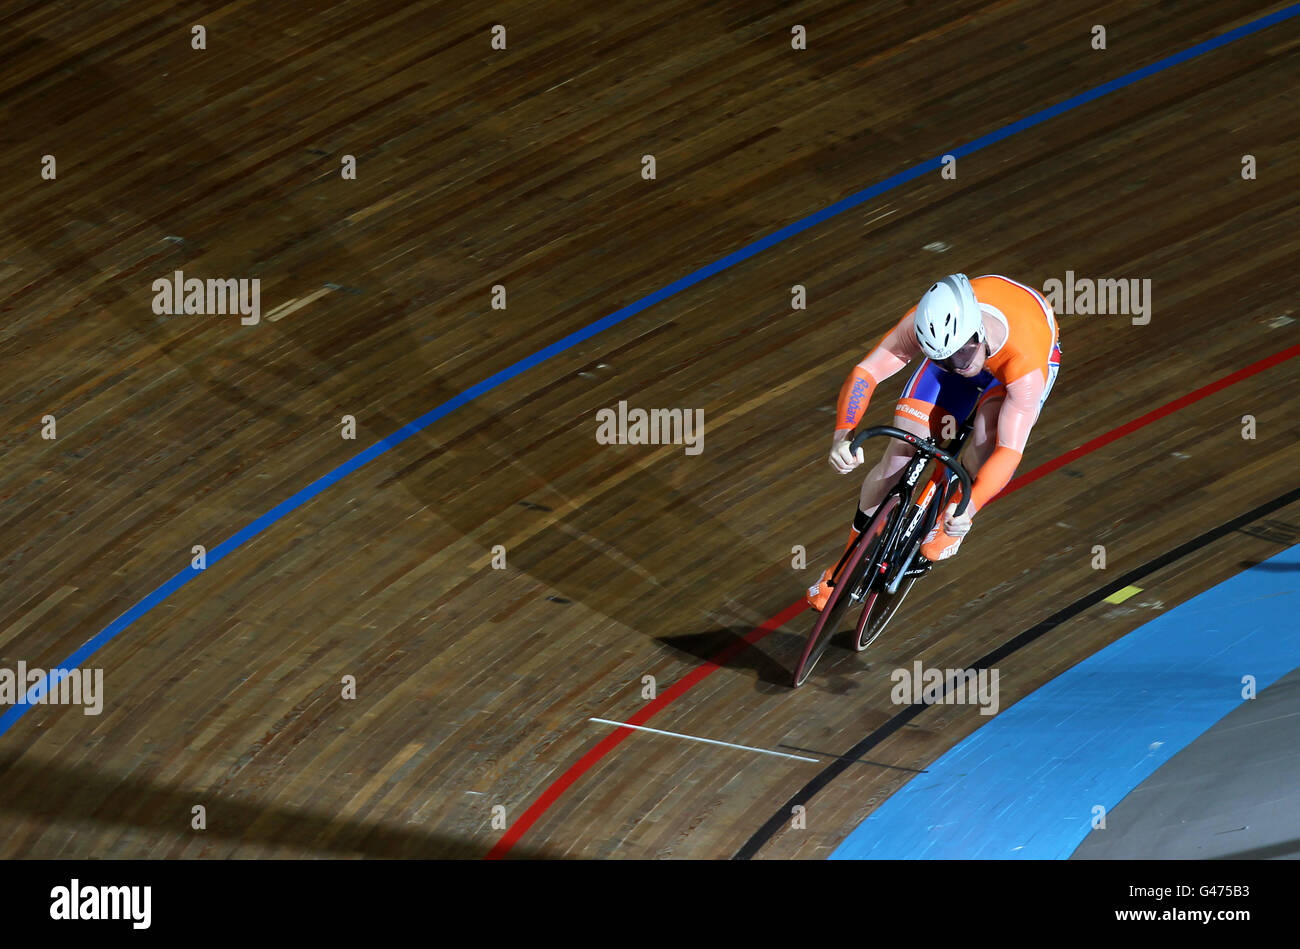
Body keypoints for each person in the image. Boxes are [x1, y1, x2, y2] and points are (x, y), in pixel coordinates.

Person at [806, 273, 1061, 611]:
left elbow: (1009, 451)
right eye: (940, 359)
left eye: (959, 358)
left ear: (977, 334)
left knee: (985, 438)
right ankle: (845, 565)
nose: (953, 367)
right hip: (968, 339)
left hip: (1019, 358)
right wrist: (843, 434)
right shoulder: (927, 328)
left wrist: (968, 509)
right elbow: (867, 372)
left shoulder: (1024, 363)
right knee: (900, 452)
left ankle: (952, 508)